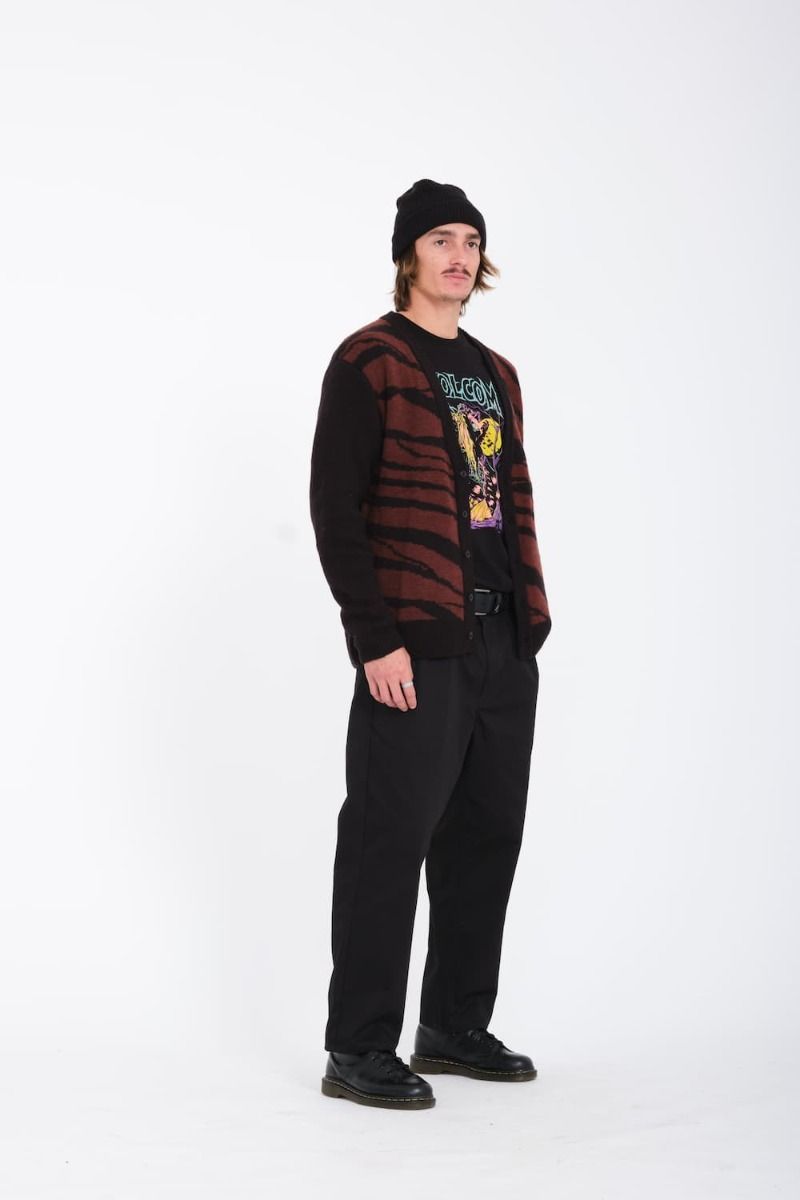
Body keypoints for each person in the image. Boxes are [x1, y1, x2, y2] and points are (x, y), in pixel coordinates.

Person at [309, 179, 552, 1110]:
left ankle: (453, 1024)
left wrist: (527, 624)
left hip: (502, 635)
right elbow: (335, 509)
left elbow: (503, 499)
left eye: (471, 240)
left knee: (486, 837)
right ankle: (357, 1046)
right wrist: (374, 640)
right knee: (388, 838)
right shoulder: (369, 359)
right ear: (408, 254)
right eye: (441, 238)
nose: (459, 255)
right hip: (414, 641)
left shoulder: (496, 372)